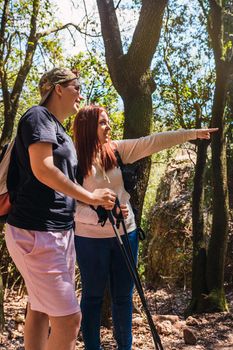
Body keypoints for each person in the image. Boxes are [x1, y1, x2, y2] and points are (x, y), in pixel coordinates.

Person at [73, 105, 218, 350]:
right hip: (89, 239)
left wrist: (192, 133)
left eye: (108, 122)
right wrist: (101, 210)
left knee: (123, 298)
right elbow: (70, 206)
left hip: (126, 235)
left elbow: (152, 142)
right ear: (87, 127)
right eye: (102, 123)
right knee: (92, 297)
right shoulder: (73, 159)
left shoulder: (116, 150)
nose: (108, 127)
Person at [5, 68, 116, 350]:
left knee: (40, 308)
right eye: (76, 87)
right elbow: (43, 170)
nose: (80, 93)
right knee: (69, 320)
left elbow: (66, 184)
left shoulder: (60, 130)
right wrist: (91, 197)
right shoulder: (38, 116)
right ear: (58, 89)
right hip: (36, 232)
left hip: (58, 232)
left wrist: (100, 203)